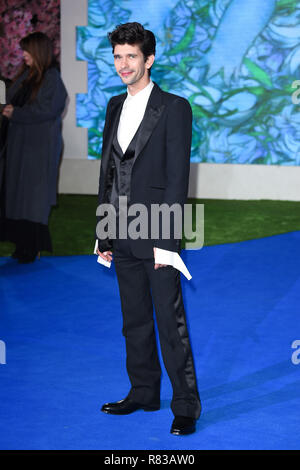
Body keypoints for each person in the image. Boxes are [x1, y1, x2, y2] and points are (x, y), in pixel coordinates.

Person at [95, 22, 201, 435]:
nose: (123, 64)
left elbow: (177, 180)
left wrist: (167, 242)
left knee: (169, 321)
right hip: (119, 232)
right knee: (133, 320)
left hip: (157, 233)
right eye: (118, 56)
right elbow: (109, 174)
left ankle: (186, 406)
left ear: (148, 60)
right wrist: (103, 231)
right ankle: (143, 391)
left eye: (131, 57)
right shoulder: (112, 107)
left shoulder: (175, 107)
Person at [0, 32, 67, 263]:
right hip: (20, 145)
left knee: (32, 197)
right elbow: (10, 98)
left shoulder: (51, 78)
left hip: (39, 148)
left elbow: (47, 110)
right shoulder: (27, 76)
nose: (23, 55)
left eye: (27, 50)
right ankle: (21, 245)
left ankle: (31, 246)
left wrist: (15, 113)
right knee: (18, 195)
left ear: (38, 51)